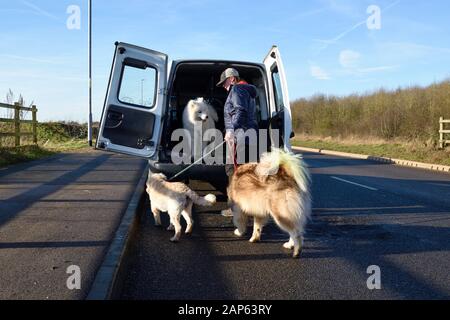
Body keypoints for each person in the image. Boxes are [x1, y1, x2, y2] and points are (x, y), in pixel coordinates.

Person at [216, 68, 259, 216]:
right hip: (249, 137)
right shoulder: (248, 91)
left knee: (233, 172)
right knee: (247, 173)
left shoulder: (237, 89)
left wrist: (230, 130)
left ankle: (235, 208)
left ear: (232, 79)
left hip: (239, 138)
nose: (223, 86)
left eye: (224, 82)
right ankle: (250, 207)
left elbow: (240, 111)